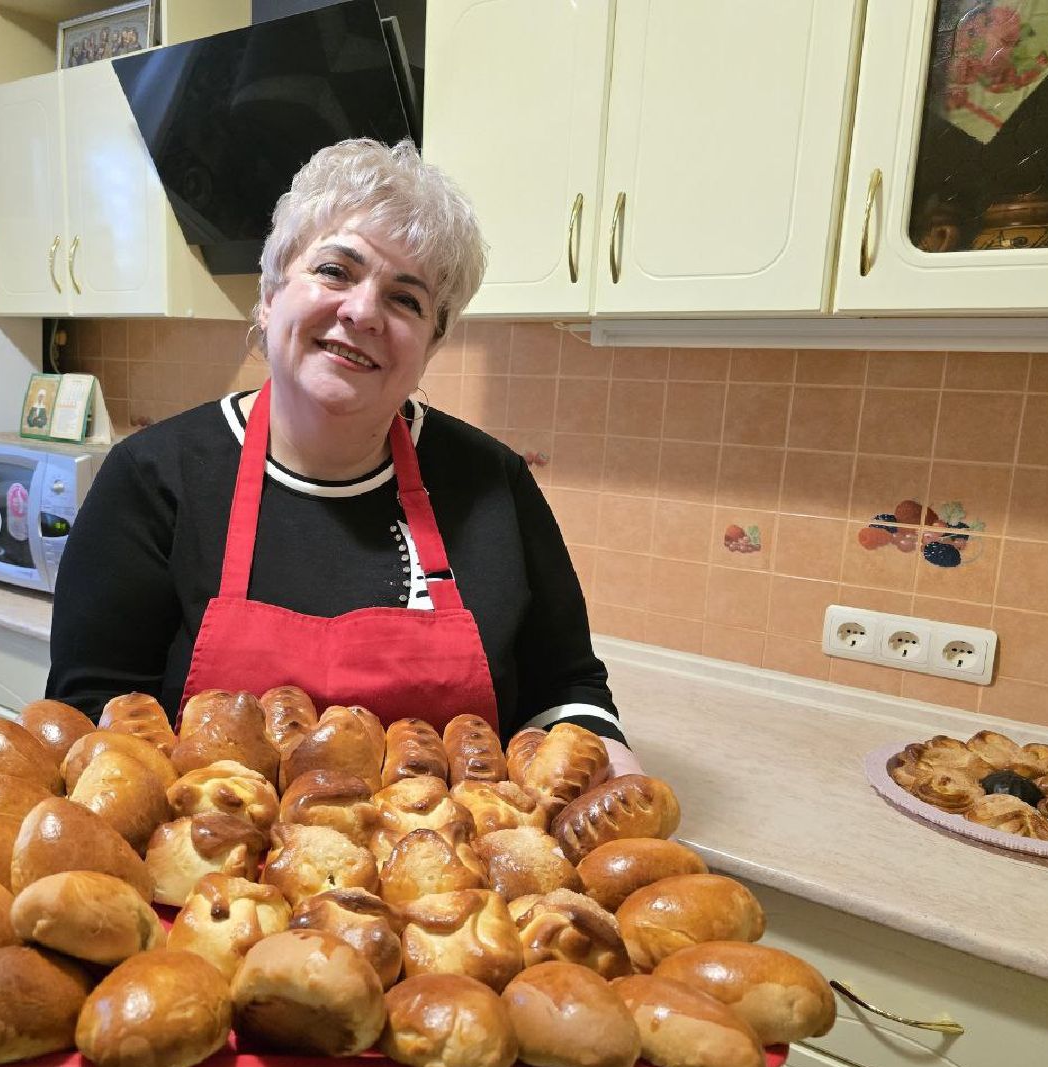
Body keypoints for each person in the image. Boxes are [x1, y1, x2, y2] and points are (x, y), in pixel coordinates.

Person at [47, 139, 638, 775]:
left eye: (406, 299)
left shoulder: (493, 486)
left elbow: (567, 694)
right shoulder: (153, 479)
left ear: (430, 347)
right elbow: (89, 722)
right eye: (335, 271)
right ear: (271, 295)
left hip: (453, 865)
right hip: (204, 859)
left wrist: (618, 792)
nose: (362, 312)